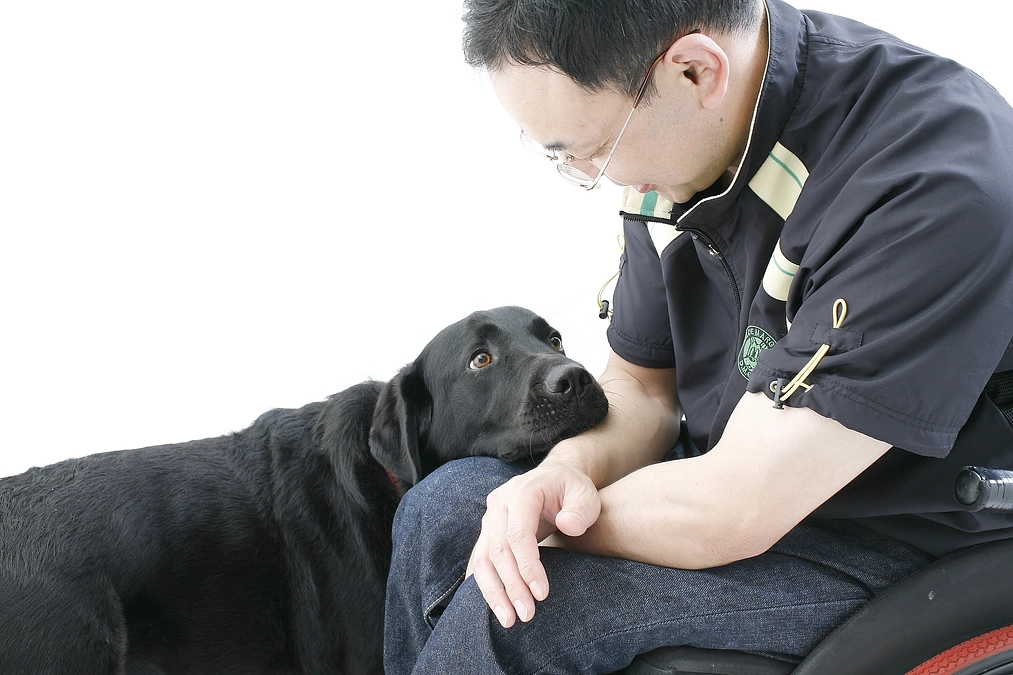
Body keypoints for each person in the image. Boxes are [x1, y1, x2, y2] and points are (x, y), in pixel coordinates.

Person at [384, 0, 1013, 672]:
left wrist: (554, 522)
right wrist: (567, 471)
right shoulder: (680, 139)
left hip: (895, 526)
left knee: (519, 610)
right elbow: (640, 384)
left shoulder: (924, 184)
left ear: (691, 71)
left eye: (591, 151)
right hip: (730, 460)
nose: (603, 180)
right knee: (443, 507)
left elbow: (737, 502)